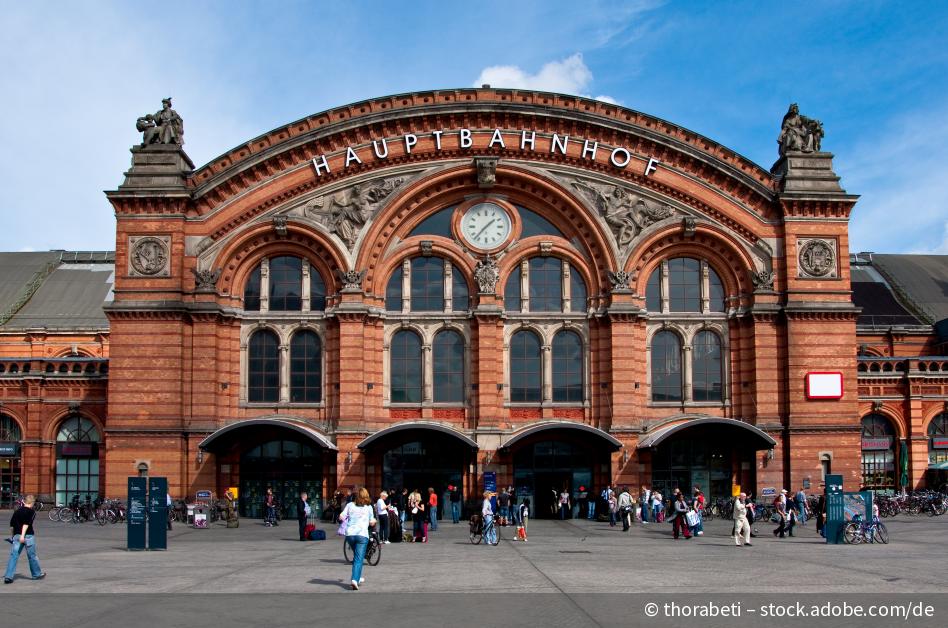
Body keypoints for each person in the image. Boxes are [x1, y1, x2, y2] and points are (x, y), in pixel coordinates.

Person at [339, 488, 377, 590]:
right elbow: (372, 522)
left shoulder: (350, 505)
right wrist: (373, 522)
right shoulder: (368, 507)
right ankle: (354, 580)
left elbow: (341, 517)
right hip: (362, 535)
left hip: (350, 535)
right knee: (359, 558)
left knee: (357, 556)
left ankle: (358, 577)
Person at [4, 494, 45, 583]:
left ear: (24, 501)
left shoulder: (17, 511)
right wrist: (23, 536)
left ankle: (8, 576)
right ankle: (36, 574)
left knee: (14, 556)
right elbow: (26, 524)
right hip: (28, 536)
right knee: (32, 556)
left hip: (16, 536)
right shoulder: (32, 512)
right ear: (32, 503)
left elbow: (12, 526)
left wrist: (13, 537)